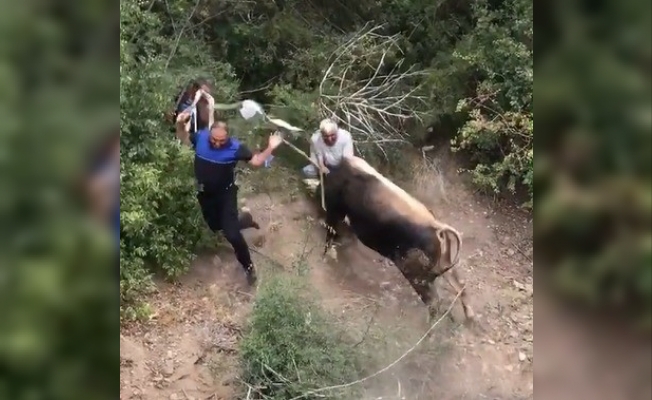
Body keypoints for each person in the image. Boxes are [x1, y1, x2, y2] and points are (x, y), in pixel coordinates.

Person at [176, 113, 283, 285]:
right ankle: (246, 220)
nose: (217, 143)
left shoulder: (235, 147)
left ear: (228, 137)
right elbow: (183, 138)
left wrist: (270, 147)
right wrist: (180, 124)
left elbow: (256, 161)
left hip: (225, 194)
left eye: (222, 140)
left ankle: (248, 268)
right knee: (216, 227)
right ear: (209, 134)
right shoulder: (201, 138)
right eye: (214, 140)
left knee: (232, 234)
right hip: (205, 194)